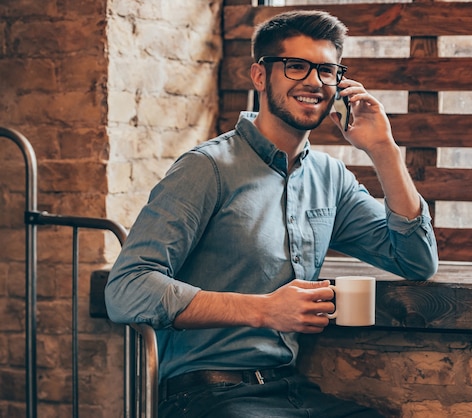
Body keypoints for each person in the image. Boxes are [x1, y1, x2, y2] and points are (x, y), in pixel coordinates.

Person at [105, 10, 438, 418]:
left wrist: (384, 149)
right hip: (206, 397)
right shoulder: (206, 168)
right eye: (296, 67)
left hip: (288, 389)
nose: (314, 82)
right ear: (260, 76)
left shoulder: (330, 177)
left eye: (326, 70)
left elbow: (417, 260)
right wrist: (263, 309)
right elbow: (126, 290)